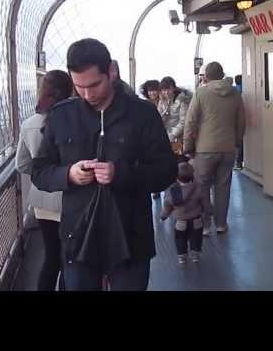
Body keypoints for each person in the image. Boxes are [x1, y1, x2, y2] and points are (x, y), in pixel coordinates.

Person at [31, 38, 177, 291]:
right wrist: (69, 174)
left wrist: (121, 174)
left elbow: (166, 170)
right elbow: (39, 171)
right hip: (77, 238)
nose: (87, 95)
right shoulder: (61, 115)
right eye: (79, 87)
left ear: (111, 71)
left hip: (130, 237)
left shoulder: (142, 114)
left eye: (94, 85)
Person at [15, 70, 74, 291]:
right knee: (70, 259)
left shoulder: (29, 123)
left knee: (51, 257)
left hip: (42, 201)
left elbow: (21, 164)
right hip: (71, 197)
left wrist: (43, 175)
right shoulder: (74, 120)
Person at [183, 61, 245, 236]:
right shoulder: (234, 93)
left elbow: (190, 122)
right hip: (227, 148)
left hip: (204, 149)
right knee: (223, 186)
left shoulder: (201, 93)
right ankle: (221, 224)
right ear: (223, 74)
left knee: (202, 186)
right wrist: (236, 142)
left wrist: (188, 146)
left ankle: (205, 225)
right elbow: (241, 121)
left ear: (206, 77)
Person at [159, 160, 209, 264]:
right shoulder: (198, 187)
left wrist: (163, 216)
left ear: (176, 177)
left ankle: (182, 256)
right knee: (196, 237)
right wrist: (209, 211)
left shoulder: (173, 190)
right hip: (196, 220)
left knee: (180, 238)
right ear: (192, 175)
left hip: (180, 221)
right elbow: (205, 201)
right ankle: (195, 255)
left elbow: (168, 205)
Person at [155, 76, 191, 200]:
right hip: (166, 139)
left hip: (178, 140)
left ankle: (183, 197)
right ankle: (171, 198)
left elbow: (184, 122)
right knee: (168, 168)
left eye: (168, 89)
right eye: (163, 90)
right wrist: (164, 112)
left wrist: (171, 135)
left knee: (179, 167)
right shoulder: (162, 101)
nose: (166, 92)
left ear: (173, 88)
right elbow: (158, 119)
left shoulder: (182, 100)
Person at [233, 75, 243, 170]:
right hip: (246, 118)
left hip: (235, 119)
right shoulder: (245, 88)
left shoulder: (235, 90)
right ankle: (240, 162)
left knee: (239, 144)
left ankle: (238, 163)